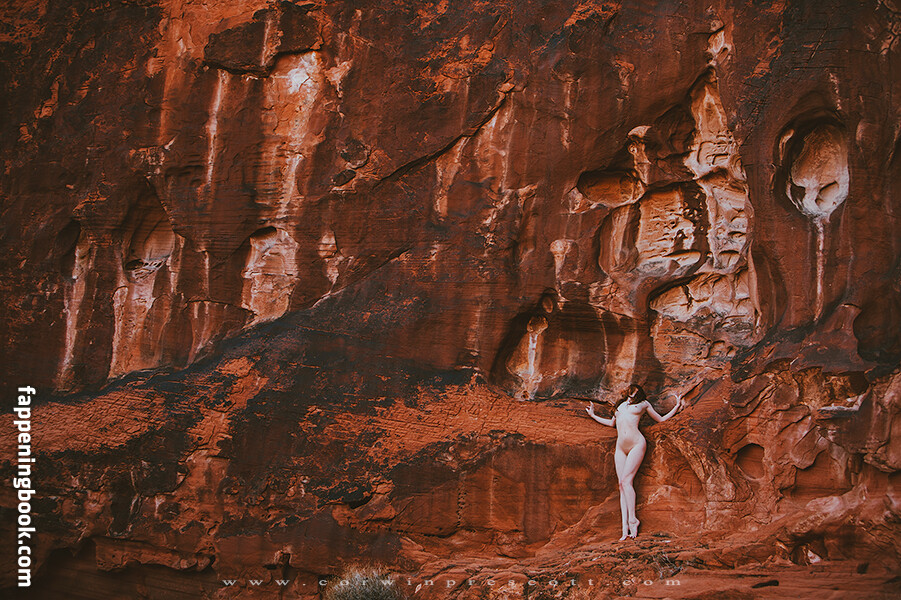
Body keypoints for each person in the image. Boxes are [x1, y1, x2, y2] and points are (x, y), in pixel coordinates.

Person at [585, 384, 685, 540]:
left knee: (626, 481)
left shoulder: (643, 404)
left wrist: (676, 407)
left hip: (636, 444)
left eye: (636, 391)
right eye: (632, 390)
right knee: (621, 485)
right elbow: (611, 423)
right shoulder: (620, 404)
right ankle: (624, 530)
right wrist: (593, 415)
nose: (633, 393)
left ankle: (633, 520)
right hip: (620, 446)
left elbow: (660, 419)